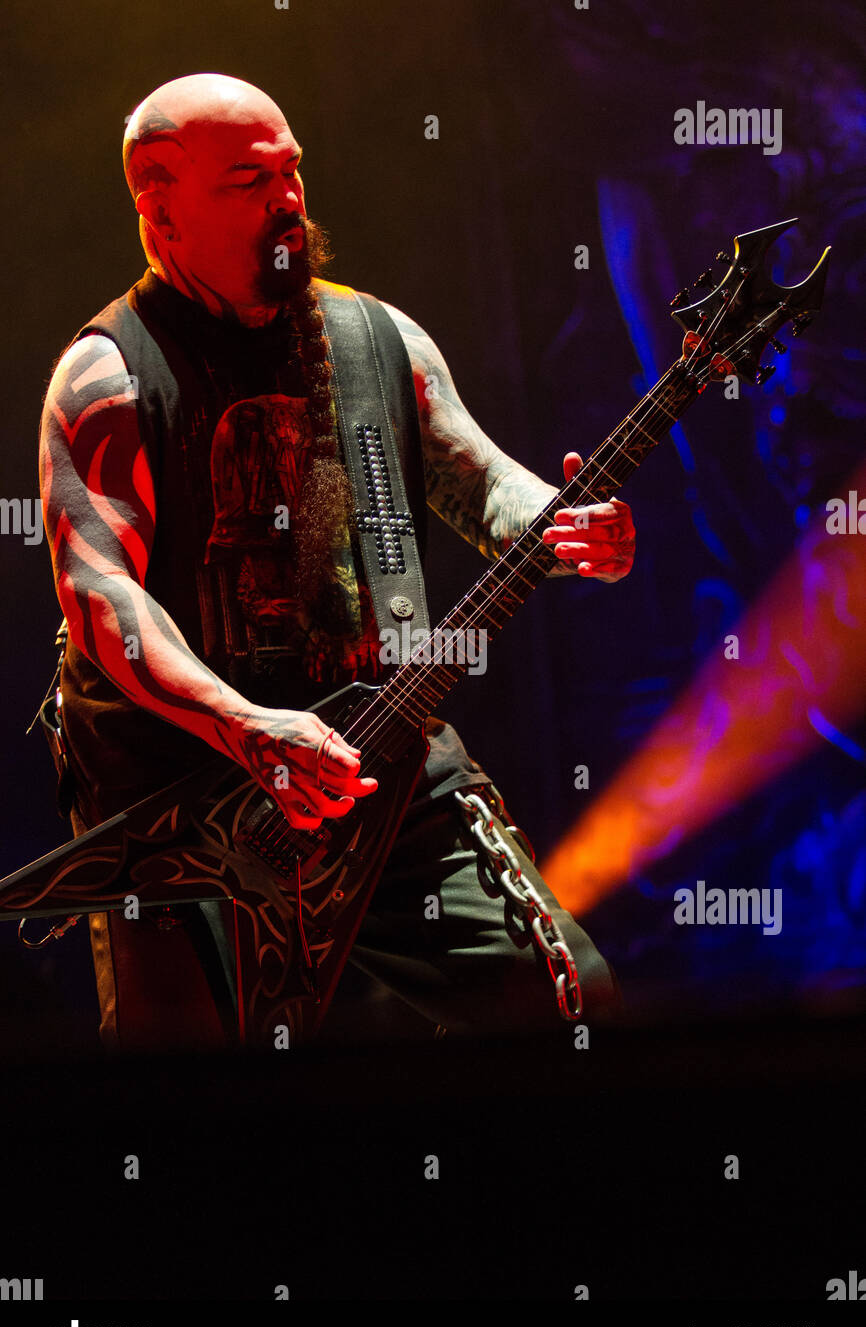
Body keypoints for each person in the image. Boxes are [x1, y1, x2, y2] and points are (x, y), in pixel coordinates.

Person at [37, 73, 636, 1052]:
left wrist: (563, 521)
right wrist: (246, 725)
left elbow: (482, 482)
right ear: (157, 203)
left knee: (566, 1009)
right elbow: (101, 599)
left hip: (375, 757)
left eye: (291, 171)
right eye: (245, 182)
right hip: (190, 806)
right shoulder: (105, 376)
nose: (286, 200)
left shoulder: (376, 338)